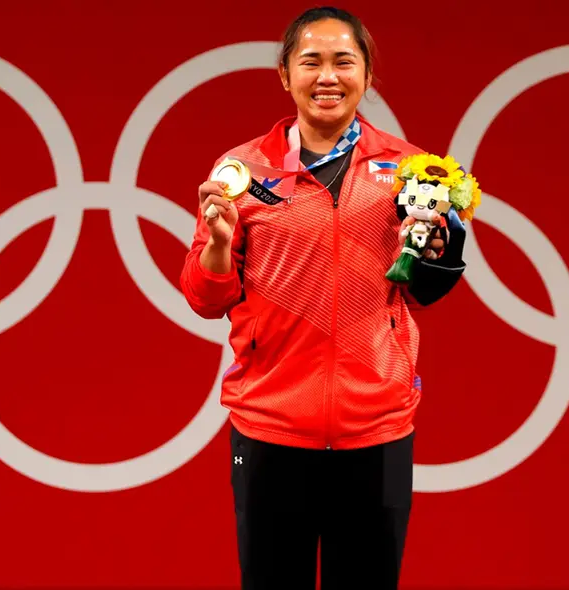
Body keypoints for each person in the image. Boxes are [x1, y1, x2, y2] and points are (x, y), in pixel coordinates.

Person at [179, 6, 467, 589]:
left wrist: (437, 251)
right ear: (285, 75)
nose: (328, 76)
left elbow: (427, 290)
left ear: (367, 75)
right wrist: (219, 244)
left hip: (378, 428)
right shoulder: (243, 171)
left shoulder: (412, 170)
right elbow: (205, 299)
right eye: (311, 61)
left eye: (344, 61)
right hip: (268, 428)